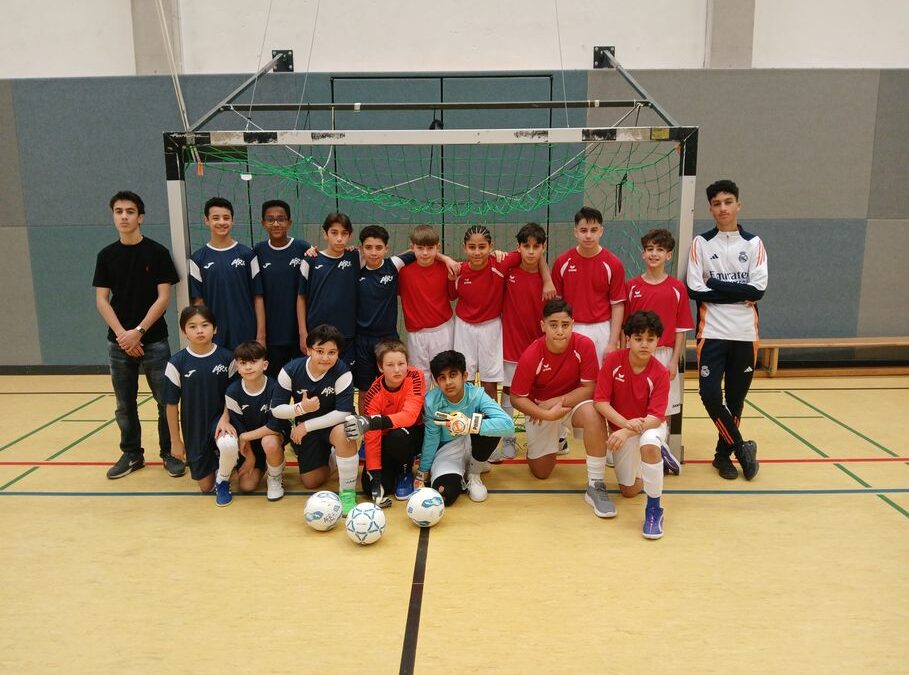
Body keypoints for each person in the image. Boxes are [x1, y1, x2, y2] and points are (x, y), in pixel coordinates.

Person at [93, 190, 184, 480]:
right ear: (113, 216)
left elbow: (163, 297)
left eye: (129, 211)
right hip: (118, 343)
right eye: (118, 211)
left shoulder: (156, 253)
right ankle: (132, 454)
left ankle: (170, 452)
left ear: (140, 217)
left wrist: (139, 332)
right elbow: (102, 300)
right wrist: (123, 335)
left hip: (154, 340)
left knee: (164, 400)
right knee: (124, 403)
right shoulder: (106, 255)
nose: (124, 216)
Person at [686, 179, 767, 481]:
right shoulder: (701, 244)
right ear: (710, 208)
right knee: (709, 395)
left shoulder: (754, 243)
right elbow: (695, 289)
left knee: (734, 400)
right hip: (712, 333)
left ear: (738, 205)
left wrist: (716, 284)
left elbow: (757, 291)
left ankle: (723, 456)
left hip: (746, 334)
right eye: (717, 203)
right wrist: (737, 291)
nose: (723, 208)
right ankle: (743, 447)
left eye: (728, 201)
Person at [509, 299, 613, 517]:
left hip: (571, 404)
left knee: (594, 414)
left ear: (572, 324)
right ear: (543, 326)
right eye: (553, 325)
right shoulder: (532, 353)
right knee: (541, 473)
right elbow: (517, 398)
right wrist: (545, 414)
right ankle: (554, 439)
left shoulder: (584, 345)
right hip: (541, 410)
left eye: (565, 325)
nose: (559, 331)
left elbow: (590, 387)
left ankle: (596, 484)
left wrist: (557, 402)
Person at [593, 311, 670, 539]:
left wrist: (627, 430)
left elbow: (656, 417)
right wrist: (624, 424)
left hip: (649, 427)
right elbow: (600, 402)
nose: (644, 344)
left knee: (648, 444)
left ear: (658, 341)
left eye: (650, 339)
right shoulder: (614, 362)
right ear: (628, 339)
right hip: (625, 427)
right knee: (628, 491)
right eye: (638, 338)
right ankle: (656, 459)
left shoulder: (660, 372)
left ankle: (655, 509)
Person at [268, 324, 359, 515]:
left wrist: (306, 426)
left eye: (332, 352)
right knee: (311, 482)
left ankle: (348, 492)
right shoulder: (290, 370)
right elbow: (276, 409)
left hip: (332, 425)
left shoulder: (342, 371)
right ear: (308, 350)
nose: (326, 357)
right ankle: (334, 459)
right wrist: (301, 408)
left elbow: (343, 412)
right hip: (308, 428)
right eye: (320, 351)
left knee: (345, 431)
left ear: (338, 353)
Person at [625, 227, 694, 475]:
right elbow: (627, 328)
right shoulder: (632, 287)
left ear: (669, 256)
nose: (654, 254)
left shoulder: (677, 288)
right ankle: (635, 453)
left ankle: (659, 449)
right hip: (637, 354)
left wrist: (674, 360)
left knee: (662, 409)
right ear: (643, 254)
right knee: (636, 404)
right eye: (650, 249)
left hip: (664, 355)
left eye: (660, 250)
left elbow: (681, 329)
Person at [417, 350, 515, 505]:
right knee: (444, 494)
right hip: (447, 451)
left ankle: (474, 473)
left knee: (491, 421)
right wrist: (423, 470)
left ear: (464, 376)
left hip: (472, 443)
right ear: (436, 382)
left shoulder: (477, 395)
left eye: (453, 375)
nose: (448, 382)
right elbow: (431, 437)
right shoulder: (432, 402)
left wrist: (469, 425)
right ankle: (461, 470)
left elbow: (508, 425)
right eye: (442, 378)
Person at [494, 222, 558, 461]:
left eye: (536, 246)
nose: (531, 251)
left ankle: (539, 439)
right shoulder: (509, 271)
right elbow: (495, 260)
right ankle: (508, 436)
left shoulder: (548, 284)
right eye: (526, 246)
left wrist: (547, 277)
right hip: (511, 344)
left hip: (538, 348)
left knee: (539, 393)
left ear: (543, 247)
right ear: (518, 247)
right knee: (510, 392)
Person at [164, 306, 237, 501]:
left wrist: (225, 418)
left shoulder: (228, 358)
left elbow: (234, 395)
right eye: (193, 326)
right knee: (205, 487)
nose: (199, 330)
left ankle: (223, 479)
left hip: (222, 420)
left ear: (215, 329)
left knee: (228, 444)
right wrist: (175, 441)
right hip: (194, 428)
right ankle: (217, 464)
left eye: (205, 325)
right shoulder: (176, 363)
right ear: (183, 331)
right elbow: (171, 405)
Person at [343, 339, 426, 505]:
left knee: (399, 436)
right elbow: (372, 438)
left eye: (401, 363)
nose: (397, 369)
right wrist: (375, 477)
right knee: (369, 488)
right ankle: (390, 472)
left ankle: (405, 471)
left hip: (413, 434)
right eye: (390, 365)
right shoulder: (373, 394)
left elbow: (409, 416)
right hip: (387, 441)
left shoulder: (416, 377)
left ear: (407, 363)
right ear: (380, 367)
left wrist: (372, 422)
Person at [551, 206, 626, 362]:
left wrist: (612, 343)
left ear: (601, 231)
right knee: (571, 379)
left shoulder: (613, 264)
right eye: (584, 230)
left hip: (602, 330)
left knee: (600, 381)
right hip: (570, 327)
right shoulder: (562, 262)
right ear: (575, 232)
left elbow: (617, 305)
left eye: (594, 230)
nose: (588, 235)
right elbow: (556, 305)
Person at [189, 197, 264, 350]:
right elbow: (198, 303)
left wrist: (261, 335)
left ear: (232, 221)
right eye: (216, 218)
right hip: (215, 334)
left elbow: (258, 297)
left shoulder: (247, 255)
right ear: (206, 220)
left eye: (226, 218)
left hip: (246, 332)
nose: (222, 222)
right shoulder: (198, 259)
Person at [221, 341, 290, 503]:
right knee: (246, 486)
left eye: (253, 362)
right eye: (243, 363)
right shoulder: (232, 392)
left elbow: (275, 426)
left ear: (264, 364)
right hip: (249, 442)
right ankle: (267, 462)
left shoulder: (275, 388)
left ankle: (275, 477)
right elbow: (239, 429)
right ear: (237, 367)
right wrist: (250, 456)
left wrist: (245, 437)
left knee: (270, 443)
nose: (248, 367)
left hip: (272, 435)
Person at [252, 199, 311, 378]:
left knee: (302, 387)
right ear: (263, 223)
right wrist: (261, 336)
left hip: (301, 335)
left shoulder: (303, 248)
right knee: (275, 389)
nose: (276, 223)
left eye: (281, 219)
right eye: (270, 219)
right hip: (273, 336)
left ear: (289, 222)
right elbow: (258, 295)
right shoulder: (258, 251)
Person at [297, 212, 359, 368]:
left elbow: (385, 261)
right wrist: (303, 333)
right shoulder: (310, 260)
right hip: (316, 334)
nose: (339, 238)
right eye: (334, 232)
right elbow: (301, 298)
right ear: (325, 234)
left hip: (347, 333)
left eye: (344, 233)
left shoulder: (355, 257)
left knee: (344, 379)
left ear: (350, 236)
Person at [397, 225, 458, 386]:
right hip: (416, 335)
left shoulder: (446, 268)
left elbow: (452, 296)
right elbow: (390, 260)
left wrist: (446, 265)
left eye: (430, 248)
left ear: (437, 248)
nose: (425, 253)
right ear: (412, 248)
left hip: (443, 330)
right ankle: (422, 412)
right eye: (420, 248)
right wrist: (442, 257)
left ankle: (443, 411)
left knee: (444, 375)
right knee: (419, 379)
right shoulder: (402, 270)